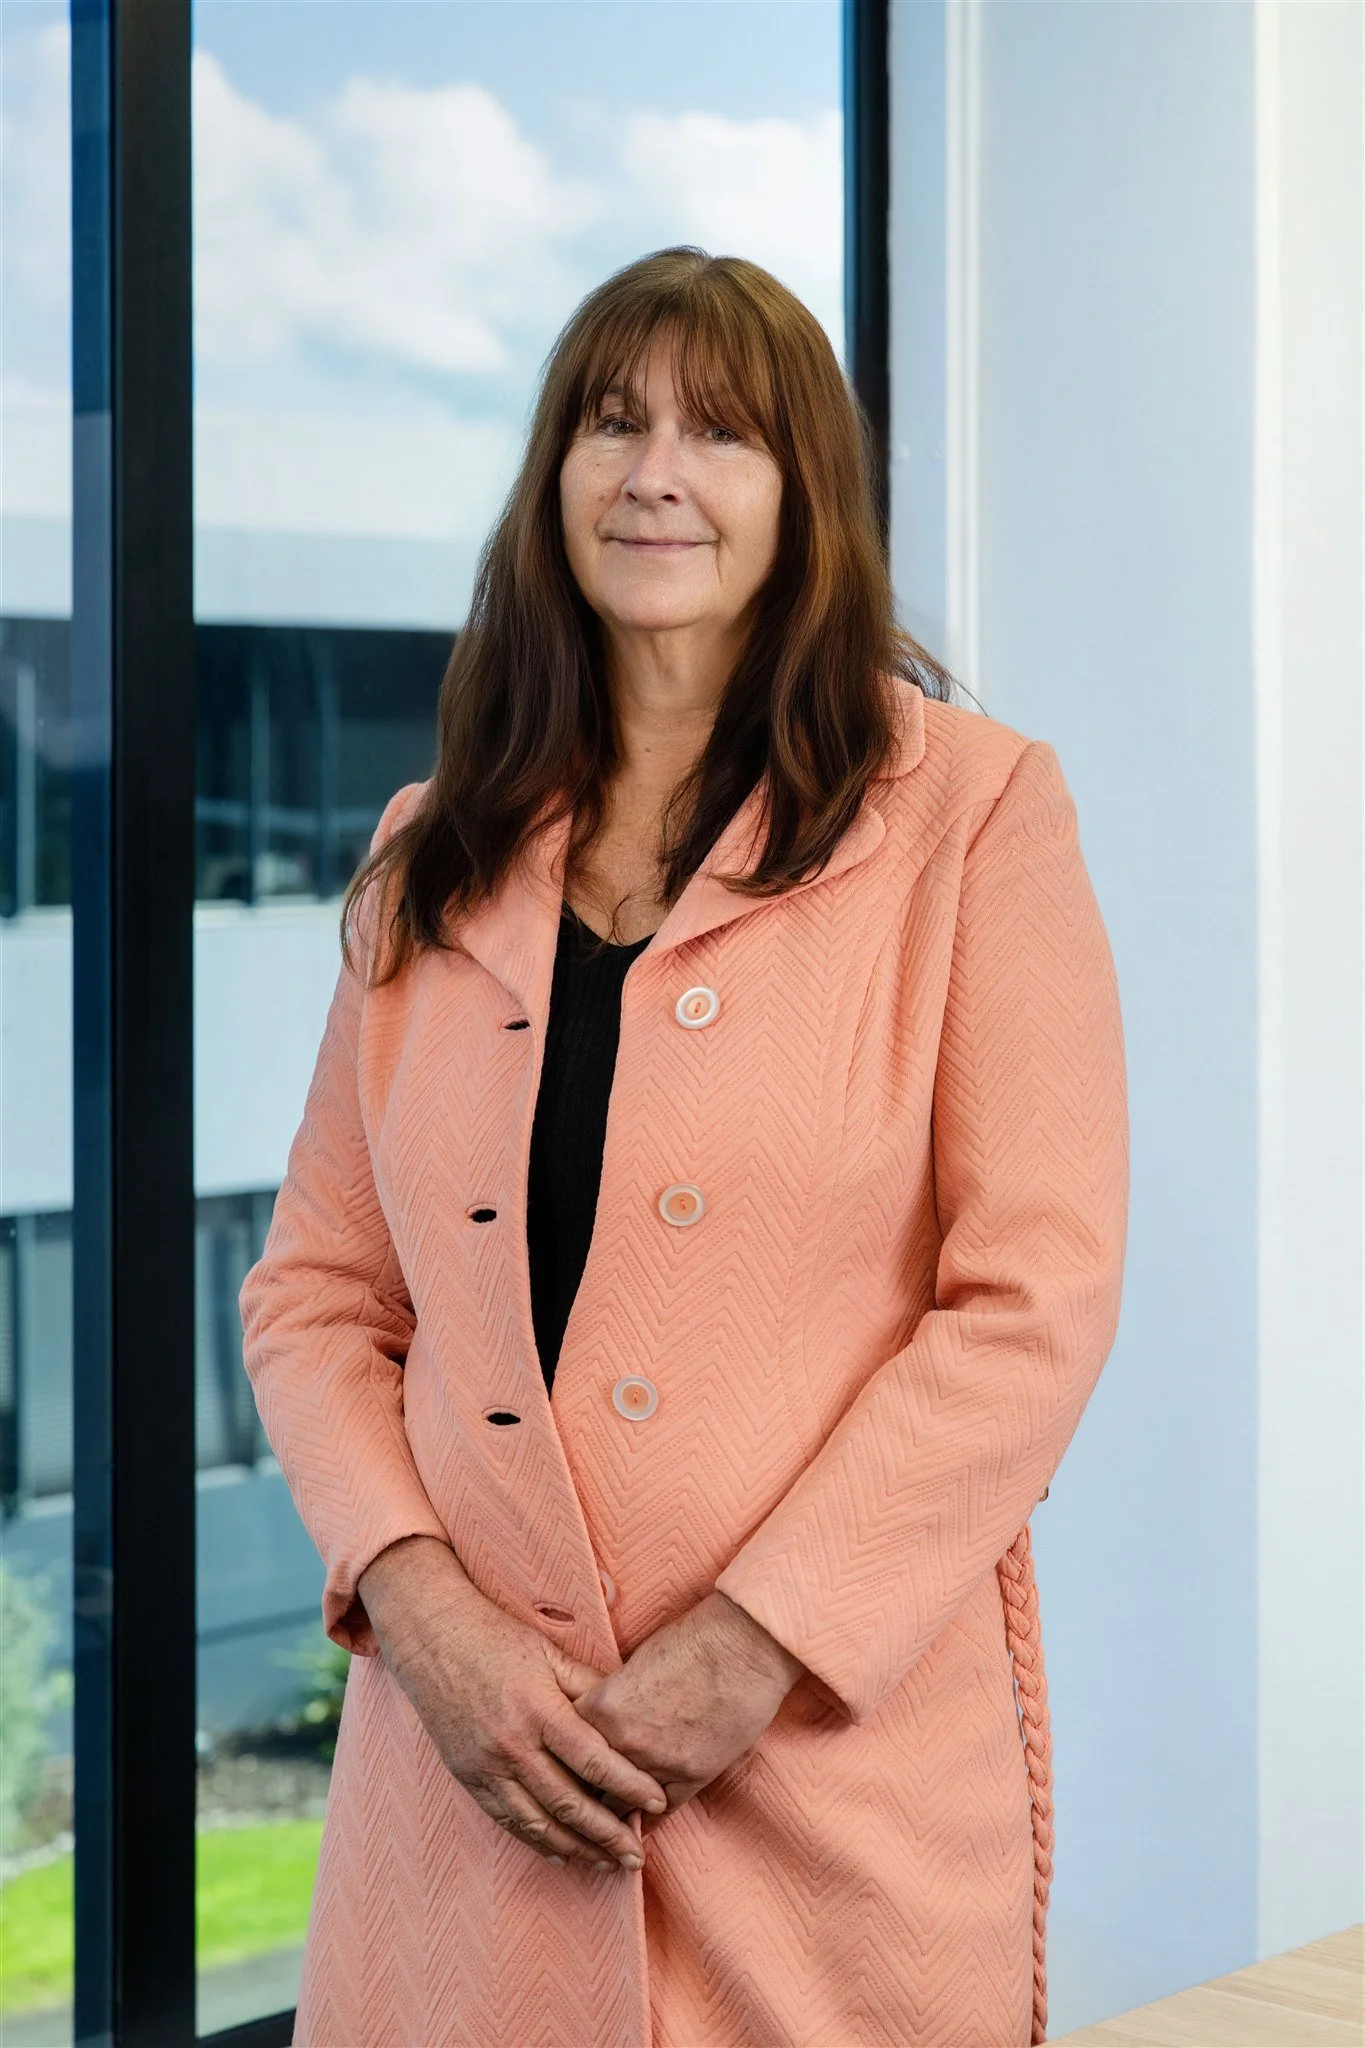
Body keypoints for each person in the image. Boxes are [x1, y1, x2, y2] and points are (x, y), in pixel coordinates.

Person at [240, 245, 1129, 2048]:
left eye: (722, 433)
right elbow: (319, 1298)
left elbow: (1033, 1296)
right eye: (610, 421)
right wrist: (418, 1611)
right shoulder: (434, 846)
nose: (654, 472)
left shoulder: (971, 817)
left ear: (807, 497)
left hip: (818, 1777)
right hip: (473, 1781)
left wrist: (751, 1649)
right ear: (551, 475)